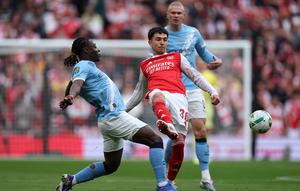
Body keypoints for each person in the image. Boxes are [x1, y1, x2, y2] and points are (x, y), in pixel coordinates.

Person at [55, 37, 176, 191]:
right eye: (94, 47)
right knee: (155, 140)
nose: (98, 49)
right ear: (86, 50)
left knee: (111, 165)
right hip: (114, 116)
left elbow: (74, 83)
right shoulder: (84, 65)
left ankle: (70, 181)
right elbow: (77, 84)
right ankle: (163, 185)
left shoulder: (85, 67)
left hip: (107, 120)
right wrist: (71, 95)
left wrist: (69, 95)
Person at [126, 27, 220, 189]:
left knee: (179, 143)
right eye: (158, 39)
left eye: (164, 39)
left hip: (180, 100)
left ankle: (169, 182)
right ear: (149, 42)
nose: (162, 42)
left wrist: (212, 90)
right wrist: (123, 110)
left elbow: (195, 75)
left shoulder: (177, 57)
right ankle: (167, 123)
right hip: (161, 97)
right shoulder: (145, 64)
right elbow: (138, 92)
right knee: (156, 94)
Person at [165, 1, 223, 191]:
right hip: (172, 90)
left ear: (184, 15)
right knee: (176, 137)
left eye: (179, 13)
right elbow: (154, 60)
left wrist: (214, 61)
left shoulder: (193, 33)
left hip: (193, 87)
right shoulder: (162, 35)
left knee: (200, 130)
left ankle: (206, 178)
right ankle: (168, 179)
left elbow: (205, 54)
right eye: (173, 12)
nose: (176, 15)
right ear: (167, 14)